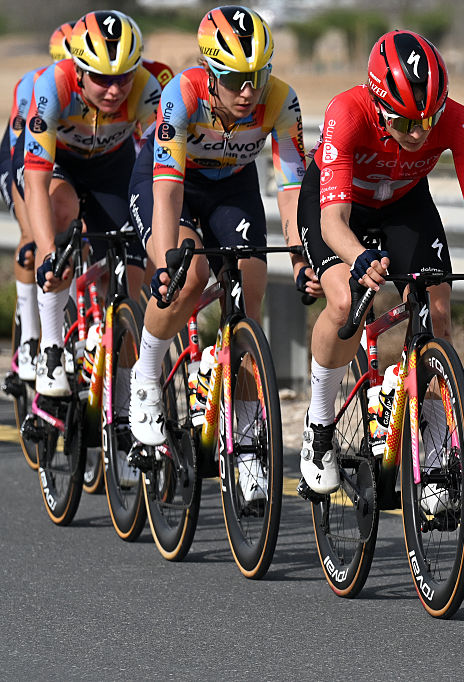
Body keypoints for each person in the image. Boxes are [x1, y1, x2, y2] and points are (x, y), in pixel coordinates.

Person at [295, 30, 464, 499]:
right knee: (345, 301)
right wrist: (359, 255)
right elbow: (333, 221)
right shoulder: (346, 113)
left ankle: (431, 451)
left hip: (406, 203)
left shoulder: (459, 120)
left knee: (437, 315)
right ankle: (319, 425)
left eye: (429, 120)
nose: (419, 134)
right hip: (341, 208)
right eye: (405, 124)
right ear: (376, 101)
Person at [127, 5, 311, 505]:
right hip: (172, 183)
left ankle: (247, 444)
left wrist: (299, 256)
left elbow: (292, 188)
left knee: (250, 292)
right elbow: (166, 190)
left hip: (232, 187)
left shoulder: (281, 101)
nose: (248, 90)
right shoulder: (180, 96)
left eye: (257, 75)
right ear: (211, 73)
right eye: (234, 79)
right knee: (189, 274)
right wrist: (167, 259)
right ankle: (145, 379)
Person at [18, 11, 160, 397]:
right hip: (59, 163)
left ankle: (119, 369)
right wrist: (48, 252)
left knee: (130, 274)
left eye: (123, 78)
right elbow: (36, 179)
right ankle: (50, 346)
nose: (114, 91)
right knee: (60, 216)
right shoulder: (53, 87)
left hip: (111, 165)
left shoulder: (148, 89)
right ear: (79, 70)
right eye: (101, 79)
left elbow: (165, 162)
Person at [1, 22, 74, 383]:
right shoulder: (36, 85)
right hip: (23, 156)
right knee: (35, 239)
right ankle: (31, 337)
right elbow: (23, 162)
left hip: (76, 160)